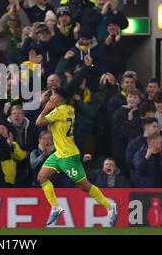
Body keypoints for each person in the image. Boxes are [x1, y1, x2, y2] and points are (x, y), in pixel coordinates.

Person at [35, 55, 118, 226]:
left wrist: (47, 106)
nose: (50, 98)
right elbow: (70, 88)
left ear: (58, 100)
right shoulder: (68, 109)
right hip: (60, 153)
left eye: (53, 97)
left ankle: (110, 206)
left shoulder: (58, 111)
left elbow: (38, 122)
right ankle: (56, 208)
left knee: (84, 185)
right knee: (42, 177)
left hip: (67, 156)